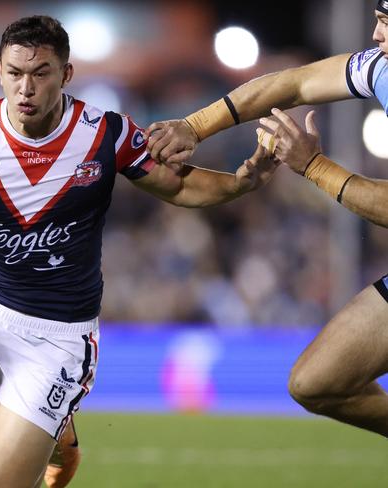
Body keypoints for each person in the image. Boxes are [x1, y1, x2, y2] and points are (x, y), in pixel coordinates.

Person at [0, 15, 278, 488]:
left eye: (40, 73)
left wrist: (241, 183)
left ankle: (51, 426)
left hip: (53, 342)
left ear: (66, 74)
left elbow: (180, 186)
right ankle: (56, 433)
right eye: (14, 73)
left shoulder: (106, 134)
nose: (25, 88)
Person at [145, 0, 388, 439]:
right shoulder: (381, 68)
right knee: (317, 383)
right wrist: (194, 126)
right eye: (377, 21)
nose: (375, 35)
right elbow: (291, 84)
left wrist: (314, 166)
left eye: (387, 25)